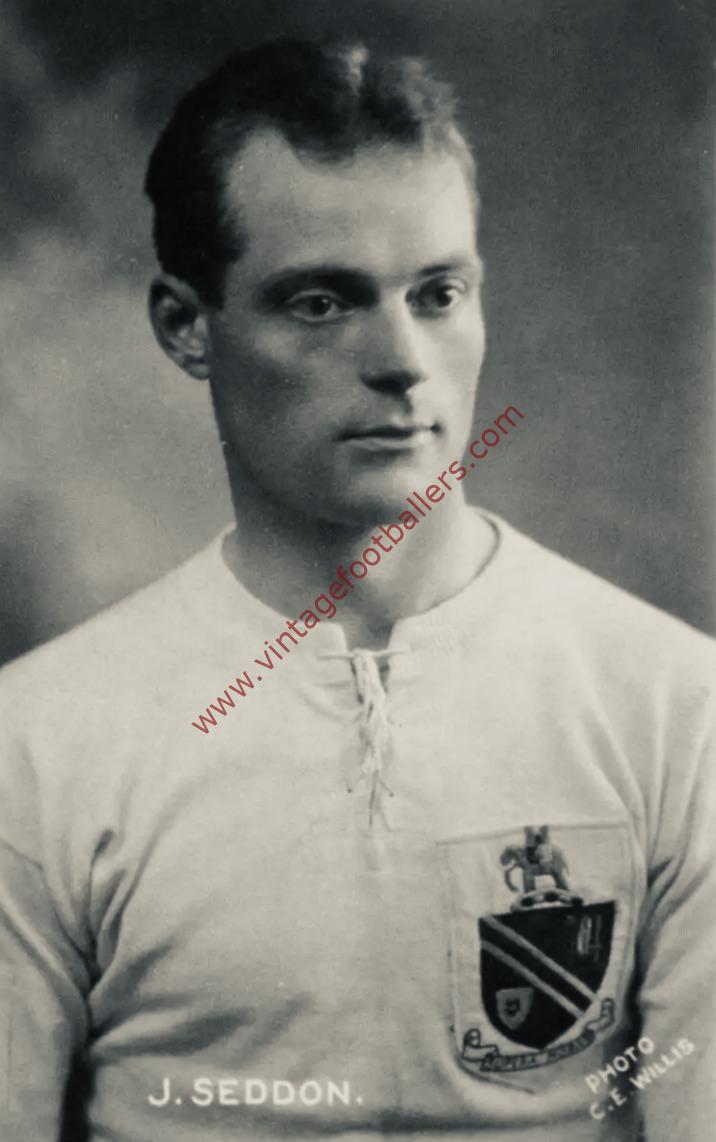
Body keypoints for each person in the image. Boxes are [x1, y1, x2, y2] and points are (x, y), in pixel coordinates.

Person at [0, 37, 713, 1142]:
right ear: (187, 326)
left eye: (438, 292)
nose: (402, 360)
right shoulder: (37, 745)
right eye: (322, 302)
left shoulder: (674, 709)